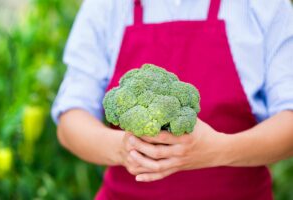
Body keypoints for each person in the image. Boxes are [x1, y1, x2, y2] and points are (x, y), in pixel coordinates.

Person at [52, 0, 293, 199]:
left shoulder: (262, 6)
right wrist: (124, 149)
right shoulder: (106, 7)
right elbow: (71, 118)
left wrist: (218, 150)